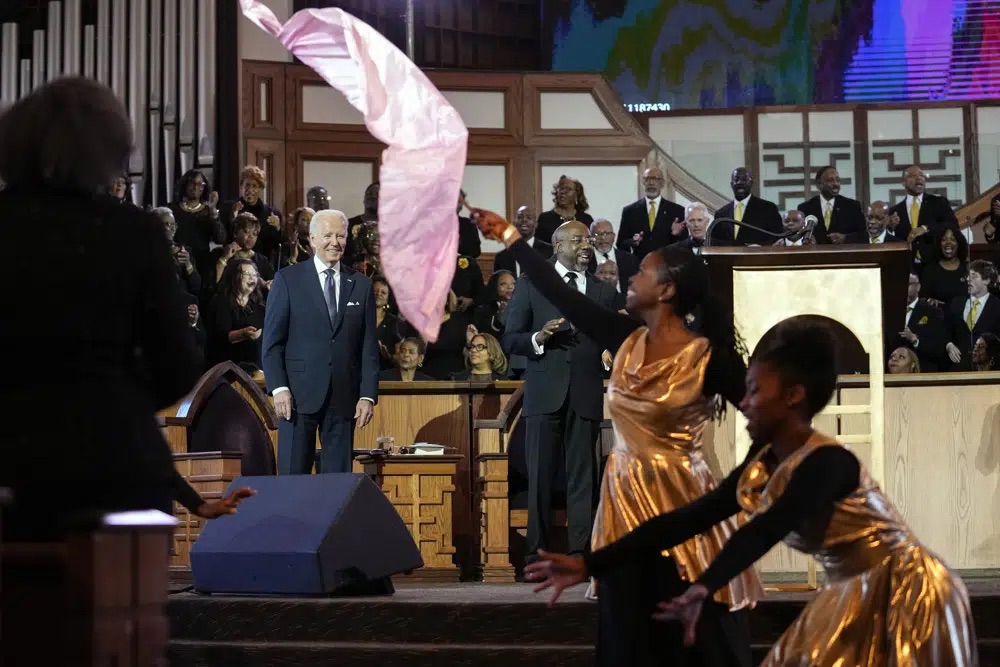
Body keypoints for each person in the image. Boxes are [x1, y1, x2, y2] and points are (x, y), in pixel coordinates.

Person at [526, 317, 977, 667]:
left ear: (793, 396)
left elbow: (764, 530)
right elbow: (687, 519)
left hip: (909, 589)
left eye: (756, 391)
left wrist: (704, 587)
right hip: (849, 587)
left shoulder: (827, 463)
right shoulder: (763, 463)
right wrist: (590, 563)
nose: (743, 402)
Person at [474, 208, 761, 667]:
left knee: (694, 636)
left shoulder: (709, 358)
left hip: (684, 499)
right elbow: (557, 291)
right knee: (626, 632)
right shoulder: (624, 336)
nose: (630, 277)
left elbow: (770, 425)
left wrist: (736, 491)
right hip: (624, 500)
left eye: (642, 272)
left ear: (666, 290)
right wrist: (509, 235)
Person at [0, 76, 254, 540]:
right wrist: (112, 398)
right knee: (121, 589)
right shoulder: (132, 232)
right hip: (116, 468)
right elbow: (178, 364)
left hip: (12, 464)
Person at [500, 220, 619, 567]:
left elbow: (612, 337)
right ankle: (535, 554)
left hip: (585, 392)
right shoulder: (532, 283)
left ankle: (579, 553)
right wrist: (538, 338)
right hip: (543, 393)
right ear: (558, 245)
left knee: (583, 478)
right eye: (579, 240)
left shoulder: (602, 291)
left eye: (589, 240)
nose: (587, 246)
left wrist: (608, 353)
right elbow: (510, 338)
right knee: (539, 476)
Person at [262, 209, 379, 475]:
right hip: (296, 397)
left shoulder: (360, 285)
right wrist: (279, 388)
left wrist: (367, 395)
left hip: (343, 398)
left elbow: (368, 346)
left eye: (340, 235)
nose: (334, 242)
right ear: (312, 239)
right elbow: (272, 343)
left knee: (337, 483)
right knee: (293, 479)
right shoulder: (287, 280)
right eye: (327, 235)